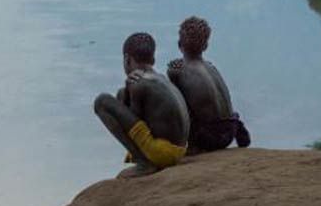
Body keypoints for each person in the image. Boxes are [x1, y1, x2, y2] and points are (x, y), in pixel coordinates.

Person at [93, 32, 190, 178]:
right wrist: (126, 91)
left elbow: (135, 127)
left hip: (163, 153)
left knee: (102, 101)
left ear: (127, 59)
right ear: (153, 59)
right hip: (180, 150)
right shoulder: (160, 78)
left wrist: (130, 89)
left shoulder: (138, 84)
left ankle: (143, 162)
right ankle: (146, 159)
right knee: (121, 93)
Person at [167, 17, 251, 154]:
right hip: (230, 131)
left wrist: (172, 77)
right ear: (206, 46)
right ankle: (240, 131)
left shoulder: (177, 71)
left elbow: (175, 104)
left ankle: (192, 147)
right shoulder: (211, 67)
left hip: (210, 138)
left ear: (179, 44)